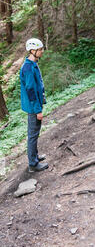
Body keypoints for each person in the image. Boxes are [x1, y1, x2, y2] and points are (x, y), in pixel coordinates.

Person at [20, 38, 48, 173]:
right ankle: (33, 164)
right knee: (32, 134)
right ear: (33, 51)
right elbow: (31, 90)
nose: (42, 51)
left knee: (35, 133)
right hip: (33, 107)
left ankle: (35, 157)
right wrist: (38, 110)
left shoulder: (33, 64)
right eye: (40, 49)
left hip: (36, 104)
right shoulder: (28, 68)